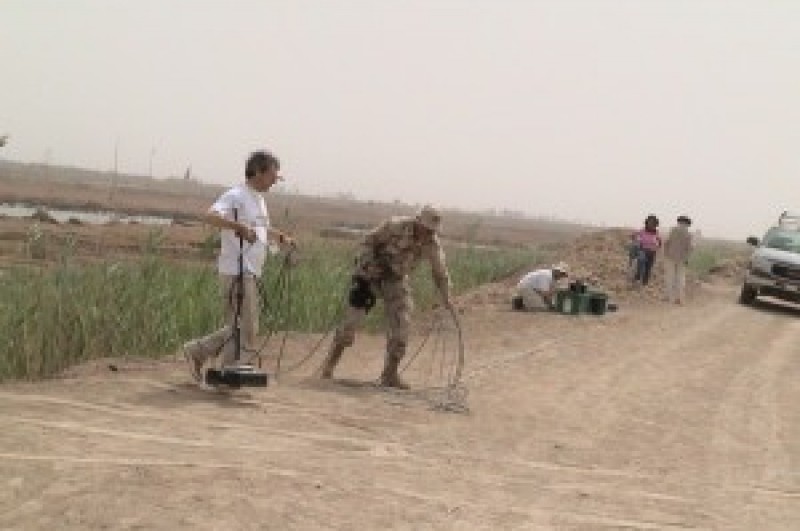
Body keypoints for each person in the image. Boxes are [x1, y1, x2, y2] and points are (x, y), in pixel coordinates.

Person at [183, 150, 295, 383]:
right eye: (272, 175)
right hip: (236, 270)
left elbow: (262, 229)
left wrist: (281, 238)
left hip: (252, 271)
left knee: (239, 326)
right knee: (247, 326)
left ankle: (202, 354)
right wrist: (238, 227)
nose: (275, 181)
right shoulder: (235, 195)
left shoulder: (259, 200)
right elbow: (211, 216)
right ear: (258, 172)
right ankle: (229, 372)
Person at [319, 205, 454, 389]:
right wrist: (367, 264)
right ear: (418, 223)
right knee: (351, 322)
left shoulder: (433, 245)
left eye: (433, 231)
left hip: (395, 279)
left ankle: (390, 375)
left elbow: (440, 273)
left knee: (402, 325)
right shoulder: (394, 225)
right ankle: (329, 365)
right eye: (427, 229)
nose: (429, 234)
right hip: (370, 274)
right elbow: (368, 241)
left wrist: (446, 297)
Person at [663, 215, 693, 304]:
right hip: (682, 259)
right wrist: (687, 258)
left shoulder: (673, 230)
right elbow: (690, 248)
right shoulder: (688, 234)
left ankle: (668, 297)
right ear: (687, 224)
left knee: (670, 277)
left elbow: (666, 242)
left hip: (670, 257)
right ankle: (679, 299)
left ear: (679, 222)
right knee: (680, 279)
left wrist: (665, 253)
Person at [631, 214, 662, 286]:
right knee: (640, 263)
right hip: (643, 250)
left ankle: (645, 282)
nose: (651, 224)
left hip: (652, 252)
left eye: (653, 223)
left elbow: (660, 242)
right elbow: (634, 236)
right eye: (649, 222)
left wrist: (658, 244)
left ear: (655, 224)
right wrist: (637, 240)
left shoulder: (656, 233)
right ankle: (637, 278)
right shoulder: (642, 231)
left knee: (648, 267)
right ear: (647, 223)